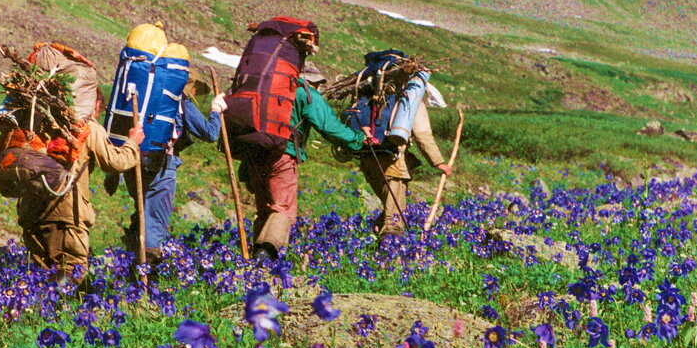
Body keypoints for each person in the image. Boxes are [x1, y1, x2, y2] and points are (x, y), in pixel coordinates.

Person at [240, 64, 368, 261]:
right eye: (316, 83)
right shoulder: (304, 93)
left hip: (254, 154)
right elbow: (329, 126)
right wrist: (358, 140)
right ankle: (266, 255)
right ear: (309, 80)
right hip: (282, 154)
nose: (317, 87)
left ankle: (255, 263)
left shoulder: (266, 89)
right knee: (283, 209)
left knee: (265, 209)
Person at [16, 120, 143, 282]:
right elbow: (115, 162)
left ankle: (39, 305)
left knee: (40, 271)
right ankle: (62, 305)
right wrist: (133, 142)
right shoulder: (87, 127)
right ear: (94, 103)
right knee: (71, 270)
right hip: (67, 213)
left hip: (30, 210)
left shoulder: (34, 120)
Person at [117, 79, 225, 266]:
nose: (194, 92)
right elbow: (210, 133)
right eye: (194, 88)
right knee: (156, 219)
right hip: (162, 162)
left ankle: (131, 270)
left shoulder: (144, 94)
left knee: (142, 212)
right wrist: (216, 110)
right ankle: (147, 276)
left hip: (132, 160)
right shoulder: (180, 101)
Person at [359, 98, 451, 238]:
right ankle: (390, 253)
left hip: (368, 158)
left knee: (390, 208)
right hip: (393, 163)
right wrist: (438, 162)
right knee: (394, 219)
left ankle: (373, 245)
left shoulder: (370, 96)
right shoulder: (412, 99)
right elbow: (422, 135)